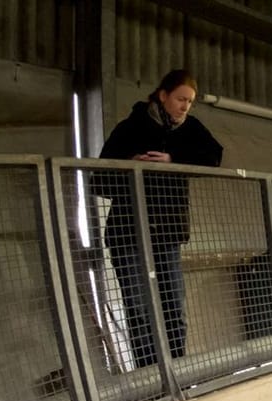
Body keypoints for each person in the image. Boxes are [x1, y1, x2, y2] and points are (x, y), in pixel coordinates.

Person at [95, 69, 223, 368]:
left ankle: (178, 370)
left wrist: (172, 159)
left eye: (190, 102)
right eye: (180, 99)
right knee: (138, 309)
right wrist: (129, 166)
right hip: (127, 232)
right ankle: (150, 376)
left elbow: (214, 158)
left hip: (166, 232)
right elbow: (98, 179)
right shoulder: (130, 128)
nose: (185, 107)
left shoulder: (191, 129)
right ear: (162, 95)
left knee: (172, 306)